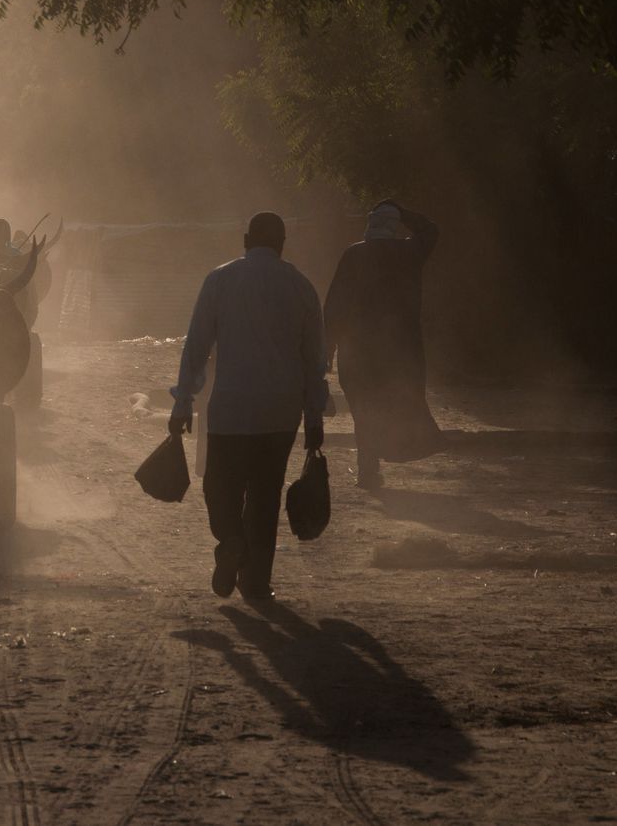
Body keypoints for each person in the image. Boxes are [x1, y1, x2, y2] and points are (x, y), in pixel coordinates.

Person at [169, 212, 327, 600]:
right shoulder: (302, 286)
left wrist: (183, 401)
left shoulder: (220, 279)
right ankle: (256, 582)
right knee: (266, 495)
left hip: (230, 410)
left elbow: (197, 345)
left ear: (245, 240)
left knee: (220, 489)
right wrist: (313, 415)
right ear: (282, 243)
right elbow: (314, 360)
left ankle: (230, 540)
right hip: (280, 413)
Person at [324, 200, 443, 489]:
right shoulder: (409, 252)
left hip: (358, 350)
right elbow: (431, 230)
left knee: (363, 409)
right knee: (395, 404)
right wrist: (403, 211)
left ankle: (368, 467)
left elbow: (335, 305)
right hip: (400, 351)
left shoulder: (354, 254)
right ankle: (385, 455)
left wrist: (328, 347)